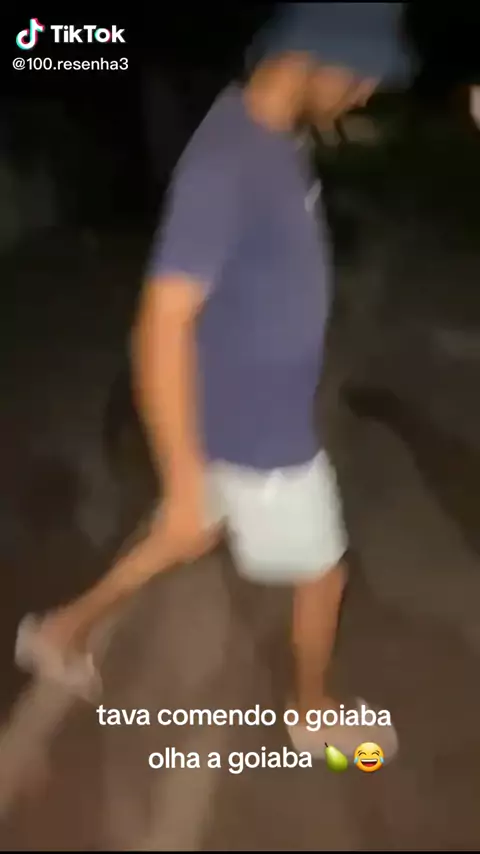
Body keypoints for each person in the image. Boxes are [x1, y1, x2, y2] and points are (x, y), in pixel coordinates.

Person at [16, 3, 411, 759]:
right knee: (323, 574)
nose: (365, 91)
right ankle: (311, 715)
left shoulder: (269, 134)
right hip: (262, 433)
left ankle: (58, 633)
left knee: (179, 535)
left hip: (243, 408)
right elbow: (159, 324)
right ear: (316, 55)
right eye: (362, 75)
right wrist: (182, 472)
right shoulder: (229, 163)